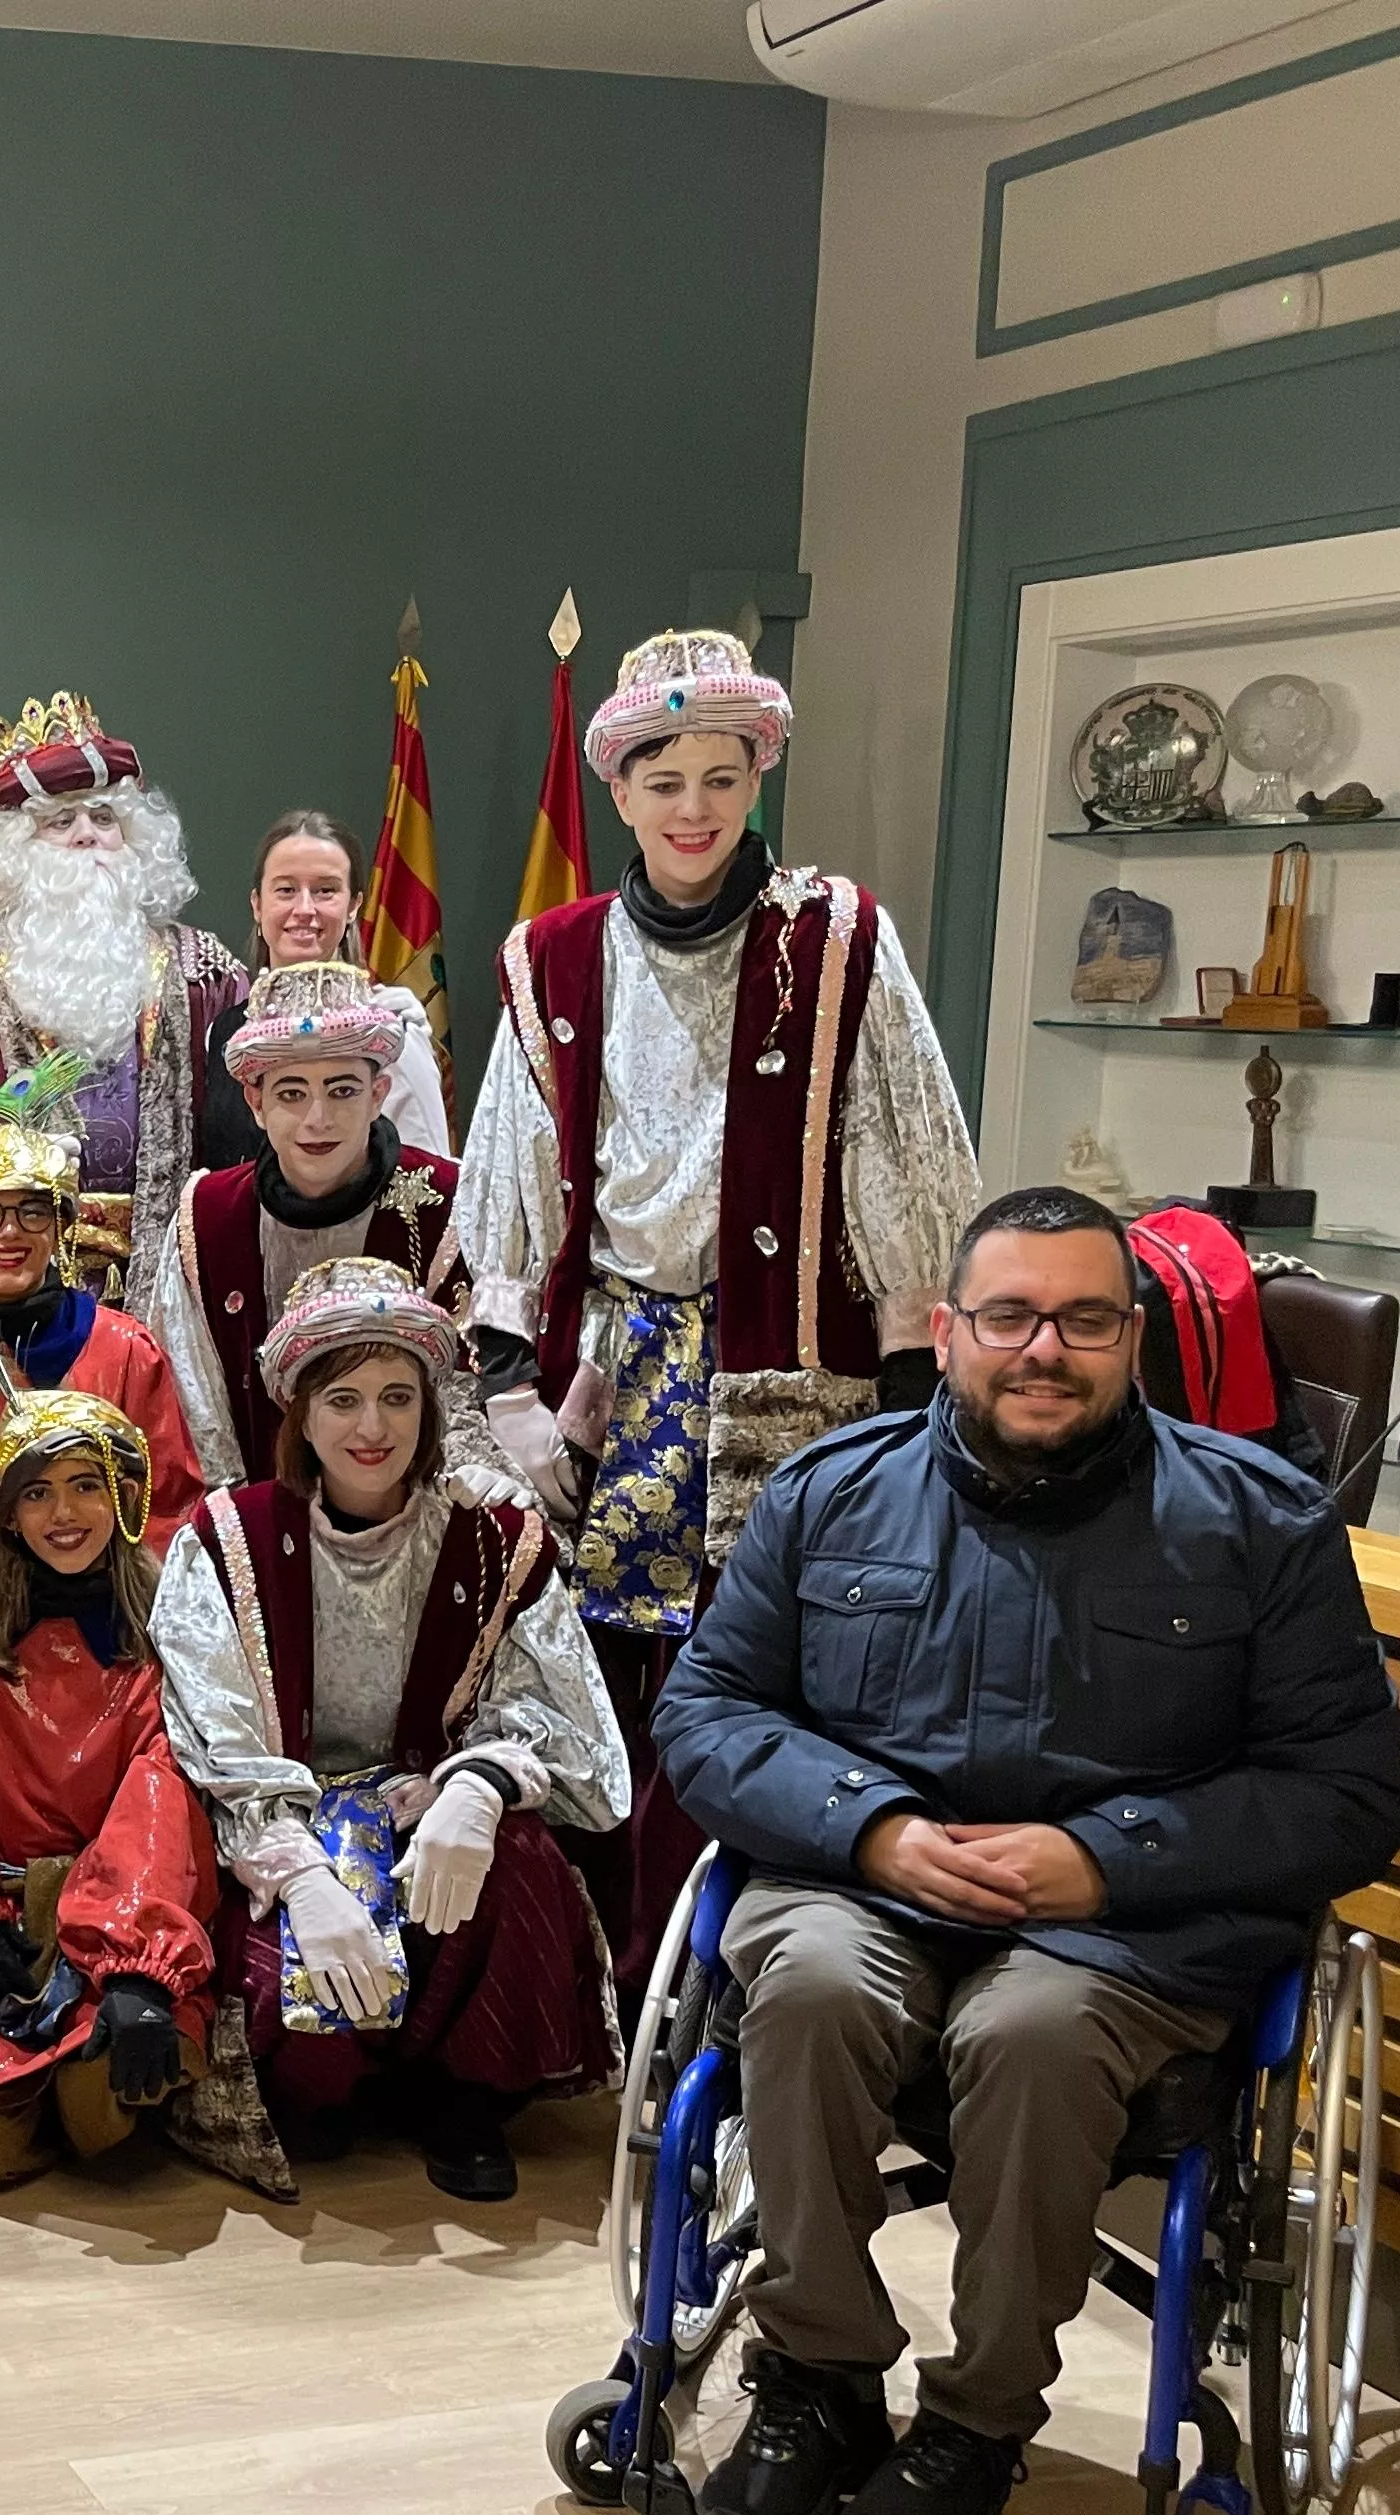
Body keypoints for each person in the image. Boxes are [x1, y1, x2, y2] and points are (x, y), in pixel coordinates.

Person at [657, 1187, 1400, 2515]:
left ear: (1134, 1339)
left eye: (1082, 1319)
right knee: (811, 1984)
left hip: (1123, 1943)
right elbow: (705, 1716)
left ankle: (977, 2423)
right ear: (948, 1332)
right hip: (861, 1888)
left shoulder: (1259, 1525)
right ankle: (818, 2379)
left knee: (1029, 2031)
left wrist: (1103, 1861)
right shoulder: (829, 1497)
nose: (1041, 1349)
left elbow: (1352, 1794)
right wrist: (871, 1826)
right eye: (1008, 1316)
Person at [451, 627, 981, 1969]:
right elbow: (514, 1179)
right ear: (618, 795)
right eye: (664, 779)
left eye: (721, 778)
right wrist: (510, 1377)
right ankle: (604, 1963)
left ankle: (759, 1957)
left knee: (776, 1654)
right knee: (603, 1655)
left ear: (759, 779)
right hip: (612, 1369)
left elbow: (906, 1158)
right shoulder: (550, 957)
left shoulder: (838, 940)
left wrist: (918, 1374)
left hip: (794, 1368)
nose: (694, 809)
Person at [153, 1261, 626, 2202]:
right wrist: (303, 1876)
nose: (373, 1429)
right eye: (344, 1400)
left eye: (397, 1398)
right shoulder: (225, 1539)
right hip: (285, 1830)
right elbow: (212, 1736)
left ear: (429, 1409)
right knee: (309, 2072)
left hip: (422, 1815)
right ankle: (351, 2077)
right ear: (300, 1414)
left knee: (522, 1859)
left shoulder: (496, 1538)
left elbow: (580, 1737)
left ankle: (467, 2096)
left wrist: (480, 1782)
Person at [0, 1393, 215, 2186]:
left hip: (119, 1919)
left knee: (102, 2112)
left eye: (86, 1485)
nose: (66, 1513)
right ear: (3, 1511)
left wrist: (139, 1968)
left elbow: (163, 1799)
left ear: (125, 1498)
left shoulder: (169, 1620)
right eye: (37, 1492)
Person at [0, 695, 244, 1302]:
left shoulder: (205, 971)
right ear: (11, 851)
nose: (87, 837)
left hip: (177, 1294)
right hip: (2, 1291)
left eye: (104, 817)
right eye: (60, 821)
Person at [149, 964, 470, 1491]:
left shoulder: (449, 1203)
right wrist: (243, 1530)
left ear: (378, 1093)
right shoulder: (205, 1217)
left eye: (342, 1091)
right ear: (256, 1103)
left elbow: (469, 1390)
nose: (317, 1118)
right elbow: (190, 1409)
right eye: (292, 1094)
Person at [0, 1119, 198, 1547]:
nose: (11, 1232)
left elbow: (169, 1512)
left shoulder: (124, 1351)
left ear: (59, 1227)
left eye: (33, 1211)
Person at [209, 808, 451, 1162]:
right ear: (257, 905)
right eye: (286, 890)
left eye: (325, 890)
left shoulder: (390, 1029)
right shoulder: (221, 1031)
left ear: (354, 906)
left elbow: (428, 1174)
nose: (304, 908)